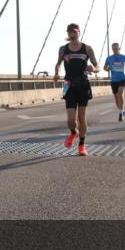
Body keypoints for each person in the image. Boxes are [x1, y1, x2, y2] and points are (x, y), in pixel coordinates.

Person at [53, 23, 99, 156]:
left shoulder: (87, 49)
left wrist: (93, 69)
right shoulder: (63, 49)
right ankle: (74, 133)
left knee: (81, 117)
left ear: (79, 33)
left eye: (74, 32)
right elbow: (58, 63)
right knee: (71, 120)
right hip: (69, 85)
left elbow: (97, 66)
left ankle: (82, 145)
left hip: (83, 84)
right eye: (69, 33)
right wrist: (56, 73)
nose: (72, 35)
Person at [103, 42, 125, 121]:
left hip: (122, 78)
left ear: (119, 48)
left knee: (120, 93)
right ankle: (122, 110)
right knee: (116, 98)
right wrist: (107, 69)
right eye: (113, 49)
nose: (115, 50)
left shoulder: (123, 57)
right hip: (114, 80)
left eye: (116, 48)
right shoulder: (109, 58)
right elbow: (104, 67)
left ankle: (121, 113)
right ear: (112, 49)